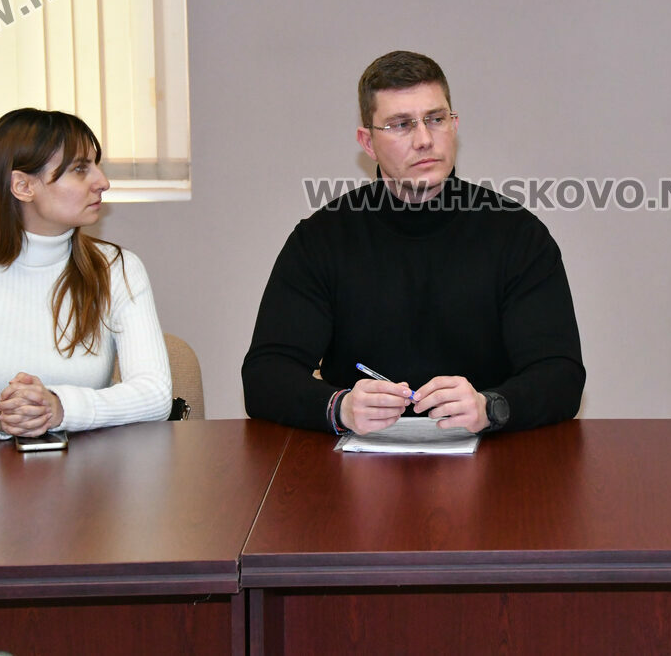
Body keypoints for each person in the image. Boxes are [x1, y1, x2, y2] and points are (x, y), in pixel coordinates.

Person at [243, 50, 584, 435]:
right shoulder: (321, 239)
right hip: (355, 462)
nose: (424, 140)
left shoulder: (518, 235)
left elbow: (562, 374)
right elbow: (264, 376)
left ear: (454, 125)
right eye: (401, 125)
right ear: (368, 142)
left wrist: (491, 407)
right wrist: (340, 407)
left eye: (436, 119)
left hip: (492, 457)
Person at [0, 108, 172, 439]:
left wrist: (59, 407)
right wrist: (1, 416)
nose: (103, 182)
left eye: (96, 166)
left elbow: (155, 394)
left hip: (91, 467)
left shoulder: (118, 267)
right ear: (23, 186)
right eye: (80, 169)